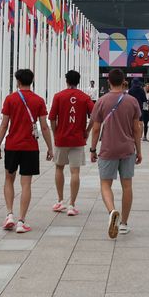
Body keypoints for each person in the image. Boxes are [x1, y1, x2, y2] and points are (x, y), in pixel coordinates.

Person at [0, 68, 54, 234]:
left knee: (8, 179)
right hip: (30, 146)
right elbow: (44, 126)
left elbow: (4, 124)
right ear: (32, 81)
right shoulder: (39, 100)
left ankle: (9, 214)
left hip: (12, 145)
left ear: (18, 82)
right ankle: (21, 221)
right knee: (26, 183)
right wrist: (50, 147)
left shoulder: (10, 99)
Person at [89, 67, 142, 239]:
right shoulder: (132, 101)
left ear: (109, 81)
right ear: (123, 80)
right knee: (127, 186)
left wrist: (92, 149)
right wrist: (139, 150)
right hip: (127, 149)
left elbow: (96, 128)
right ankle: (124, 223)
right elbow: (137, 128)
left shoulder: (102, 101)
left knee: (105, 184)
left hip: (107, 149)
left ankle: (112, 211)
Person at [49, 70, 94, 217]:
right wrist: (87, 130)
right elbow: (94, 116)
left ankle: (60, 200)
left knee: (59, 168)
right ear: (78, 81)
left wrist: (55, 133)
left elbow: (52, 118)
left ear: (66, 81)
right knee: (75, 172)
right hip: (77, 139)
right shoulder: (85, 97)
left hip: (61, 138)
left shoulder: (58, 96)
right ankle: (72, 205)